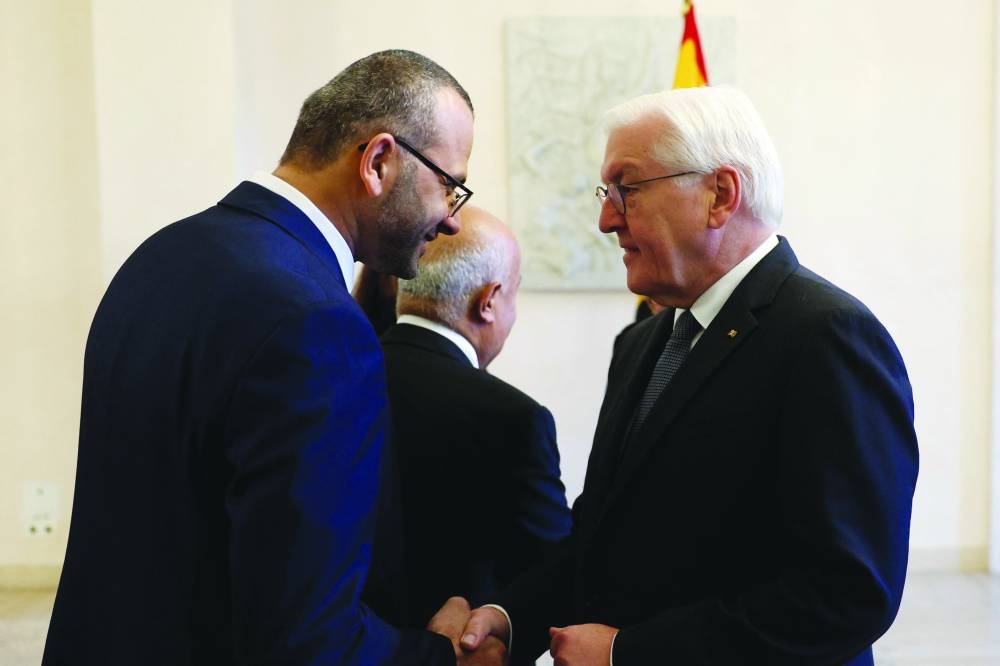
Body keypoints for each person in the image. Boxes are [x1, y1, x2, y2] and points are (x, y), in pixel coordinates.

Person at [44, 49, 504, 665]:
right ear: (378, 162)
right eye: (448, 185)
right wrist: (439, 654)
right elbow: (305, 639)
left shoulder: (158, 257)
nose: (451, 219)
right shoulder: (317, 325)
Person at [460, 86, 918, 665]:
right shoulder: (643, 341)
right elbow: (603, 532)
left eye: (626, 189)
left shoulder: (828, 338)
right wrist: (510, 619)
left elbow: (848, 593)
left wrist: (632, 653)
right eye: (607, 192)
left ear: (719, 195)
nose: (605, 219)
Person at [378, 206, 572, 636]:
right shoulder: (514, 419)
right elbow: (556, 573)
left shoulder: (336, 376)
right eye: (514, 295)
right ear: (488, 302)